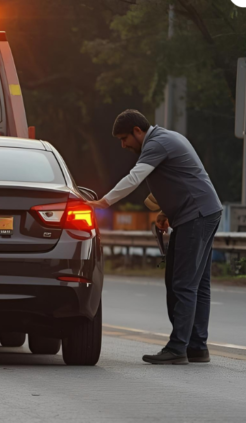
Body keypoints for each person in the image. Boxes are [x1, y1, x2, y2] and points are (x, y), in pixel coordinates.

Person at [89, 109, 223, 365]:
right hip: (204, 211)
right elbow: (185, 178)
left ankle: (178, 348)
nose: (123, 144)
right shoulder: (167, 138)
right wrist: (166, 210)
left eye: (124, 138)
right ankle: (196, 346)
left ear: (138, 131)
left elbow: (134, 178)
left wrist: (104, 202)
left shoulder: (155, 143)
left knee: (181, 283)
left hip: (196, 216)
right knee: (198, 285)